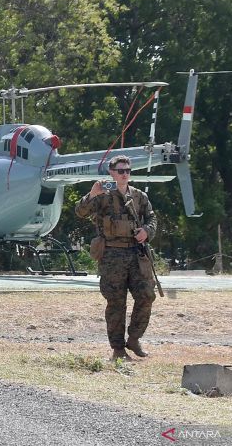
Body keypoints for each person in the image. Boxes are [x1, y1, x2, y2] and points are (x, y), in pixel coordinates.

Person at [75, 154, 158, 361]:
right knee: (116, 303)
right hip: (112, 255)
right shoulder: (102, 195)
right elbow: (80, 212)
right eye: (120, 171)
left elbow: (152, 217)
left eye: (127, 171)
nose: (124, 174)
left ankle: (134, 338)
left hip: (136, 254)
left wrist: (147, 231)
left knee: (147, 295)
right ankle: (118, 349)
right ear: (112, 172)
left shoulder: (138, 196)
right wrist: (91, 195)